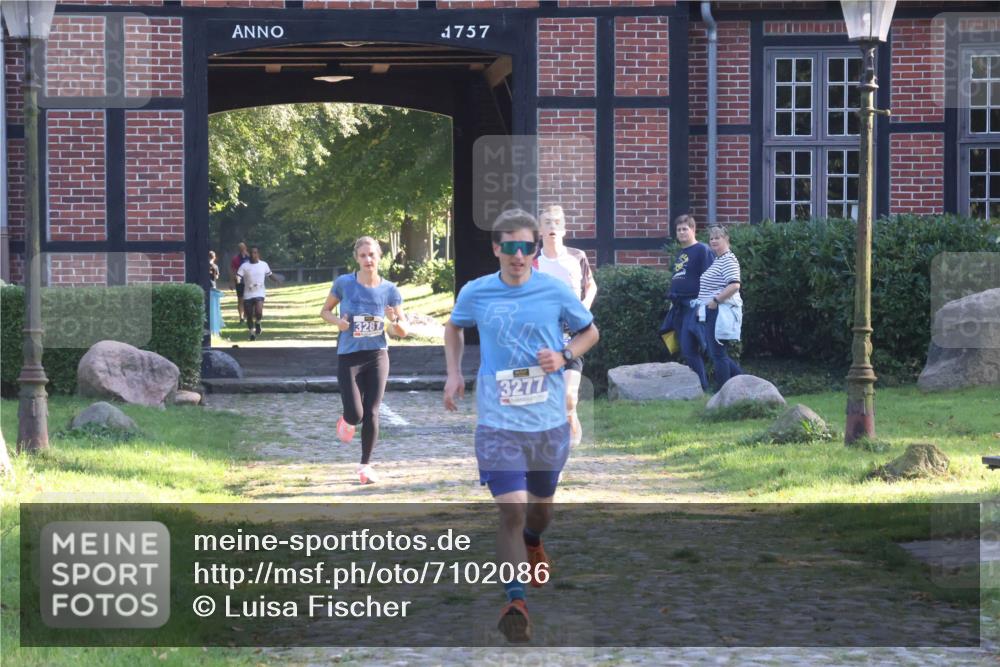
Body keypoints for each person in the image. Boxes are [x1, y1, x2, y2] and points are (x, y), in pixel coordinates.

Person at [443, 209, 599, 643]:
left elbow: (590, 333)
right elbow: (453, 327)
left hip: (547, 421)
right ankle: (516, 601)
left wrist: (565, 356)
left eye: (526, 247)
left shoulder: (553, 290)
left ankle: (534, 539)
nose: (518, 255)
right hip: (497, 421)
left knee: (539, 511)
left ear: (534, 250)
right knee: (510, 508)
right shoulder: (477, 292)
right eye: (509, 247)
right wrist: (454, 372)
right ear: (497, 249)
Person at [321, 237, 408, 485]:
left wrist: (394, 320)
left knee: (371, 411)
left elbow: (403, 331)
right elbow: (324, 311)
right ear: (356, 258)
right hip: (349, 355)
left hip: (377, 354)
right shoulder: (344, 284)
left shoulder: (390, 290)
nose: (368, 260)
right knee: (356, 413)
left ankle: (365, 466)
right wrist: (339, 323)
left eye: (372, 255)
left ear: (379, 257)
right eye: (363, 256)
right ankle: (347, 420)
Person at [534, 204, 597, 447]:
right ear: (540, 229)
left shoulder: (577, 257)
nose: (552, 227)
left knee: (569, 397)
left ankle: (570, 414)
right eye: (547, 222)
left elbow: (591, 286)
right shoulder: (533, 262)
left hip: (575, 335)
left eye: (557, 223)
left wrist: (584, 308)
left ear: (564, 229)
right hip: (544, 336)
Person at [665, 214, 714, 392]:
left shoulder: (702, 249)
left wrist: (703, 302)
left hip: (695, 305)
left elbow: (711, 277)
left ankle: (705, 387)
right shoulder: (681, 253)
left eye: (685, 228)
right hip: (679, 306)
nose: (681, 232)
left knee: (692, 346)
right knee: (684, 346)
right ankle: (700, 387)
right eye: (678, 230)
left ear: (693, 230)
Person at [698, 225, 745, 391]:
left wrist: (715, 301)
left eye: (718, 237)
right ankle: (744, 383)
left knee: (718, 354)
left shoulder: (728, 259)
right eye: (711, 238)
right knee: (716, 353)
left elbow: (734, 285)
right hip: (712, 311)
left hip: (719, 310)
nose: (713, 241)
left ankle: (723, 392)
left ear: (726, 239)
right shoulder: (718, 259)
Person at [236, 247, 275, 341]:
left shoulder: (264, 264)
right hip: (248, 294)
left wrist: (276, 280)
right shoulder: (244, 266)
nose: (254, 255)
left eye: (255, 253)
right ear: (249, 254)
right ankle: (252, 333)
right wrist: (237, 281)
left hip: (259, 292)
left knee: (258, 312)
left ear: (258, 254)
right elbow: (238, 276)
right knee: (249, 315)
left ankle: (258, 322)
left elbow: (270, 274)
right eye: (252, 253)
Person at [230, 242, 250, 323]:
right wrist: (231, 282)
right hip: (240, 281)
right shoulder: (236, 259)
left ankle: (245, 315)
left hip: (249, 281)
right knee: (240, 300)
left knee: (247, 300)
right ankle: (241, 317)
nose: (242, 250)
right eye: (241, 248)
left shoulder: (250, 258)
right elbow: (233, 271)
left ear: (246, 248)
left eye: (243, 248)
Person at [208, 251, 223, 336]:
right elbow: (217, 276)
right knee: (214, 306)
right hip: (213, 286)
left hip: (206, 286)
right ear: (214, 258)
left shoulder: (205, 265)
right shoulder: (215, 266)